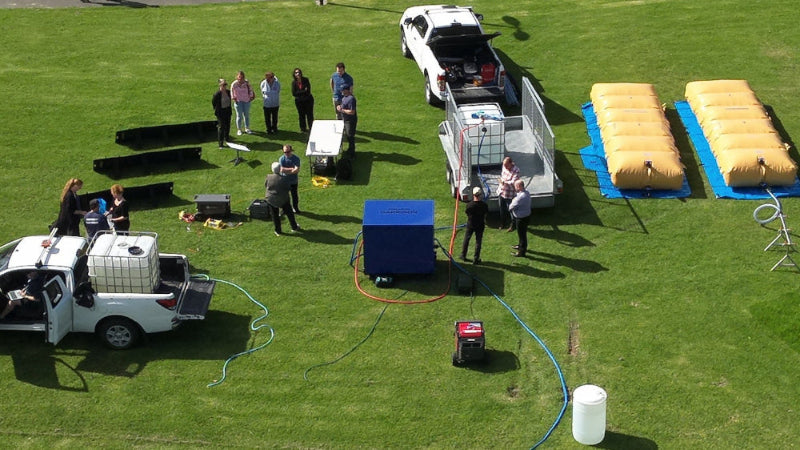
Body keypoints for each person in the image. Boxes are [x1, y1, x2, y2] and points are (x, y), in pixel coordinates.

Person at [265, 162, 300, 236]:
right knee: (289, 213)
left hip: (271, 199)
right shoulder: (284, 179)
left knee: (275, 215)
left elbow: (266, 185)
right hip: (283, 198)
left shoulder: (268, 177)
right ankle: (294, 227)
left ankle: (278, 231)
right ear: (280, 169)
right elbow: (288, 188)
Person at [461, 186, 489, 264]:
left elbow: (467, 213)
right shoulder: (484, 205)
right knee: (478, 241)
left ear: (473, 195)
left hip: (471, 224)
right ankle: (476, 258)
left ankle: (463, 255)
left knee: (466, 239)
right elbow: (486, 214)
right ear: (481, 195)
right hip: (480, 225)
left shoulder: (470, 205)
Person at [509, 179, 532, 257]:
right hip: (526, 216)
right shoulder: (527, 193)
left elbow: (511, 207)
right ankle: (520, 245)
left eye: (515, 186)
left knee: (522, 235)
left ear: (519, 187)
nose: (514, 187)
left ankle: (521, 252)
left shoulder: (520, 197)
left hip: (521, 219)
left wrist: (513, 201)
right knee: (522, 234)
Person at [497, 157, 520, 232]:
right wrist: (501, 181)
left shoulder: (516, 170)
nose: (505, 167)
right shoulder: (504, 166)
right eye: (504, 165)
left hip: (510, 194)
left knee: (511, 210)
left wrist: (504, 182)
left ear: (511, 163)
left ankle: (513, 225)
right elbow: (502, 175)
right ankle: (503, 223)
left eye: (507, 165)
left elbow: (513, 182)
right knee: (501, 208)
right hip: (501, 191)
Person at [231, 70, 255, 135]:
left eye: (242, 77)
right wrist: (234, 98)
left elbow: (250, 90)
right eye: (239, 77)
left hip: (246, 101)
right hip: (238, 101)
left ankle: (247, 128)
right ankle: (239, 129)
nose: (240, 79)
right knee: (239, 116)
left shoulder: (247, 83)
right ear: (237, 77)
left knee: (246, 115)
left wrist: (250, 97)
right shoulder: (234, 84)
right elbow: (232, 91)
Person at [279, 144, 301, 213]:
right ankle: (284, 209)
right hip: (284, 181)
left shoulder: (296, 158)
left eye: (288, 152)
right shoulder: (281, 159)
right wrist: (291, 169)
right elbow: (281, 170)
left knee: (294, 196)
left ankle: (295, 208)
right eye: (285, 152)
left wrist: (287, 171)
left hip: (293, 181)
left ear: (291, 150)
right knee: (284, 196)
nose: (286, 154)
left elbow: (296, 170)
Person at [291, 68, 314, 132]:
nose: (297, 74)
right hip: (299, 102)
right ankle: (303, 128)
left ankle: (311, 127)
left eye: (298, 72)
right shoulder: (294, 83)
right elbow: (294, 93)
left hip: (308, 100)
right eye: (296, 73)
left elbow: (308, 91)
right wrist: (303, 91)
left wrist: (300, 92)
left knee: (309, 114)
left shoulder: (306, 80)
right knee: (301, 115)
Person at [337, 85, 357, 159]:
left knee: (350, 136)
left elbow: (352, 112)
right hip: (345, 120)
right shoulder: (344, 97)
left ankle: (352, 153)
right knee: (348, 136)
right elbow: (344, 106)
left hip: (350, 121)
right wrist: (340, 107)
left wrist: (342, 110)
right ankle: (350, 149)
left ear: (346, 90)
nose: (341, 91)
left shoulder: (351, 99)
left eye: (342, 90)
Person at [212, 78, 232, 148]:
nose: (224, 86)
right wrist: (217, 110)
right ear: (220, 85)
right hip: (220, 113)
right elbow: (214, 103)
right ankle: (221, 143)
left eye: (225, 85)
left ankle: (227, 138)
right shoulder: (217, 94)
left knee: (228, 126)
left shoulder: (228, 92)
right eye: (223, 85)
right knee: (221, 127)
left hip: (227, 111)